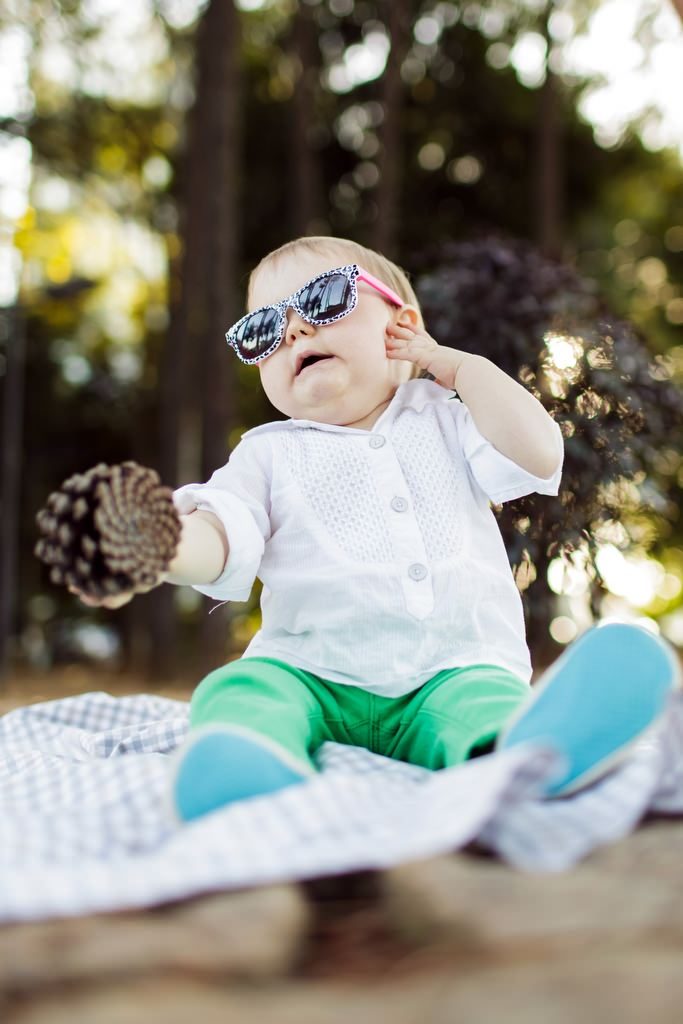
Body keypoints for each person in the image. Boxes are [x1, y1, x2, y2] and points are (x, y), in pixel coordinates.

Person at [73, 236, 679, 820]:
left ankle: (524, 752)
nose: (294, 330)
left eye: (321, 300)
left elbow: (538, 453)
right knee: (242, 690)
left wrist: (461, 368)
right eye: (262, 330)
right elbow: (224, 533)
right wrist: (162, 543)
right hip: (311, 672)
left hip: (453, 668)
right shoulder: (267, 453)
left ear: (404, 327)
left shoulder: (448, 419)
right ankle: (246, 762)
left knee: (485, 705)